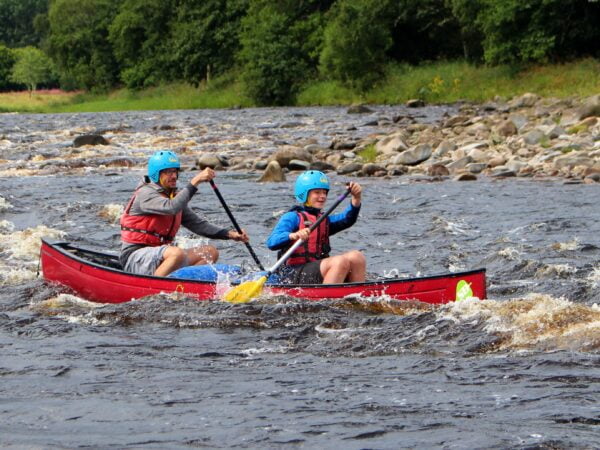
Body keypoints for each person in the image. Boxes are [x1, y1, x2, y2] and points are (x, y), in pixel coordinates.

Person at [120, 150, 249, 277]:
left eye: (175, 171)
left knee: (210, 252)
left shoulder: (172, 197)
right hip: (136, 258)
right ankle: (152, 289)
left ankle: (185, 286)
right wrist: (196, 181)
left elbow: (198, 225)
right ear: (156, 174)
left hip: (160, 257)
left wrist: (231, 234)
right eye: (168, 172)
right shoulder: (145, 194)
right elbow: (172, 208)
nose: (174, 176)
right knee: (177, 253)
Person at [266, 170, 366, 285]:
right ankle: (329, 299)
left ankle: (359, 294)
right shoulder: (292, 217)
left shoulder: (323, 219)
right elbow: (272, 242)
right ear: (304, 194)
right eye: (317, 192)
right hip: (292, 273)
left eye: (324, 192)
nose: (322, 196)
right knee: (339, 262)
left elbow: (347, 219)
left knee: (356, 256)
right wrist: (294, 235)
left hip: (315, 269)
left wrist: (356, 199)